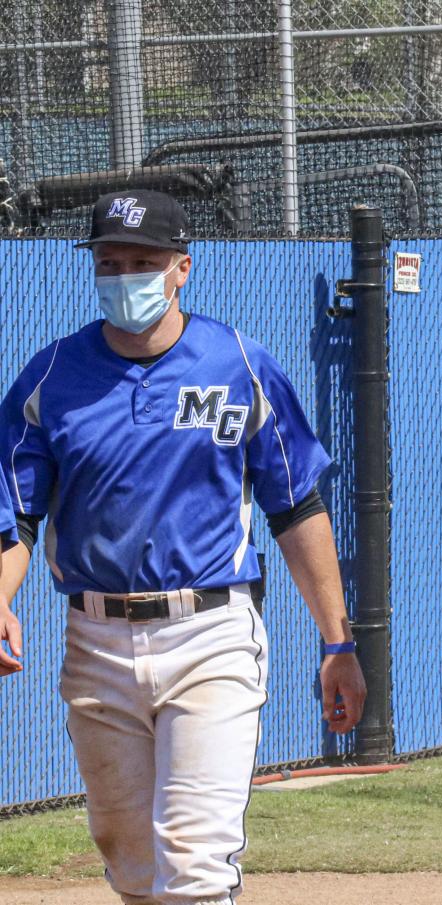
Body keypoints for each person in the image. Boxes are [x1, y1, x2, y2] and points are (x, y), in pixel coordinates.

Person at [0, 190, 366, 905]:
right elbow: (15, 515)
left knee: (195, 863)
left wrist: (337, 642)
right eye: (110, 261)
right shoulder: (50, 379)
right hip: (96, 640)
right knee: (132, 863)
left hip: (211, 634)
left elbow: (297, 507)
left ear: (182, 269)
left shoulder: (237, 363)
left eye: (144, 261)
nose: (126, 275)